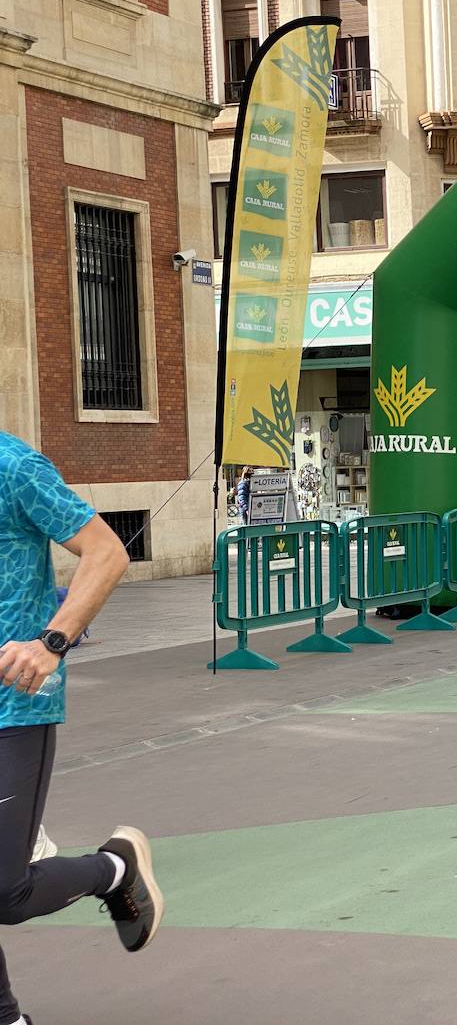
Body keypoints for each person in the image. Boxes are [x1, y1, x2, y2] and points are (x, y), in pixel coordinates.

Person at [0, 431, 164, 1025]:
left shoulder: (12, 466)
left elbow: (107, 552)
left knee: (4, 890)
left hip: (12, 705)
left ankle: (115, 868)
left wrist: (51, 643)